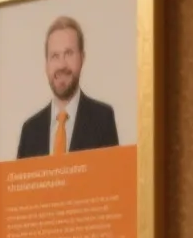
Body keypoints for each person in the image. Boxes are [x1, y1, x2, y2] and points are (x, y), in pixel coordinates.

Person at [15, 16, 120, 159]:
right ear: (46, 64)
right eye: (55, 56)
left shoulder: (103, 119)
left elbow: (112, 178)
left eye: (69, 54)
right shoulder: (30, 131)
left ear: (82, 58)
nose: (62, 65)